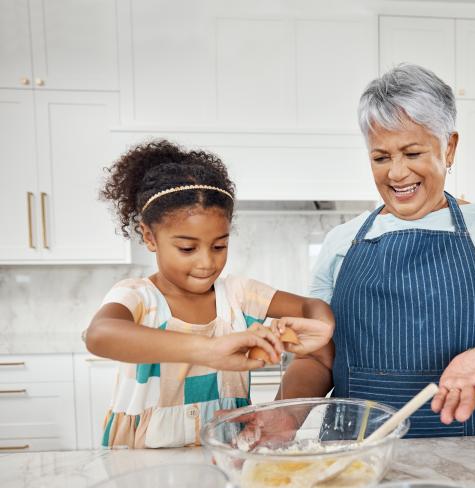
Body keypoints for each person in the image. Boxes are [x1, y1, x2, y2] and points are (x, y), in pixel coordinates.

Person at [281, 63, 475, 438]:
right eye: (381, 157)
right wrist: (284, 416)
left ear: (449, 147)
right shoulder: (341, 241)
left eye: (412, 153)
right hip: (357, 456)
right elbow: (319, 356)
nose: (396, 174)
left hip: (473, 454)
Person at [85, 140, 334, 448]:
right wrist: (206, 349)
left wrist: (314, 328)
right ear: (149, 237)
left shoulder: (239, 294)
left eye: (219, 246)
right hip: (142, 456)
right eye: (187, 248)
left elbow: (312, 306)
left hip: (223, 452)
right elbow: (99, 335)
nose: (206, 262)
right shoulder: (138, 296)